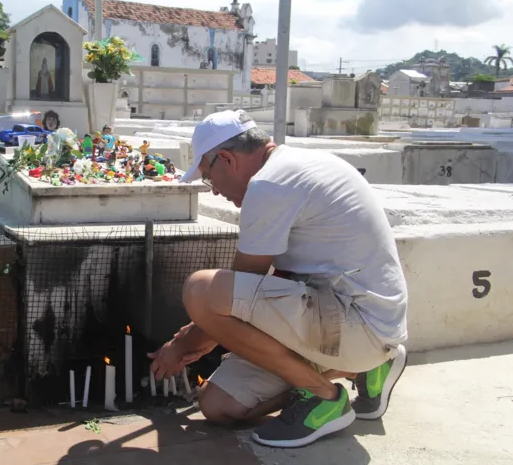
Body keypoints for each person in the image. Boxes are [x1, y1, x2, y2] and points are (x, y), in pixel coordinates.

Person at [148, 110, 408, 449]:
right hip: (341, 319)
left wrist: (184, 344)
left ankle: (325, 398)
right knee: (218, 405)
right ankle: (364, 369)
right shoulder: (294, 165)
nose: (213, 192)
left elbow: (237, 288)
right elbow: (267, 284)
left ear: (227, 159)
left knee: (200, 289)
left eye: (209, 178)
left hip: (356, 322)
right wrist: (207, 333)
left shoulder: (271, 184)